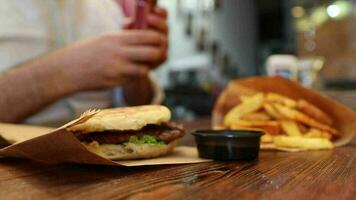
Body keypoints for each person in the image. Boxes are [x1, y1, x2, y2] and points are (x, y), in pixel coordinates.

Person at [0, 0, 168, 126]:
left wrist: (138, 69)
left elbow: (133, 103)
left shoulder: (107, 8)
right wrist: (65, 71)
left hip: (110, 165)